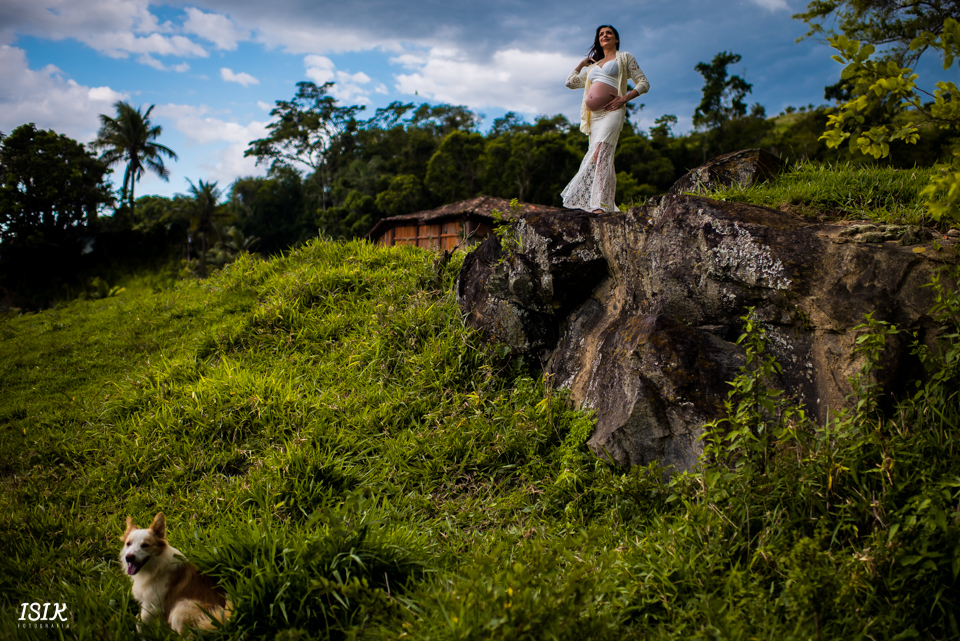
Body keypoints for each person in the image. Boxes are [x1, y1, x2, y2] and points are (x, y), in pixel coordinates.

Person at [561, 25, 649, 213]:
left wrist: (624, 98)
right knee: (599, 158)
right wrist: (581, 64)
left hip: (612, 111)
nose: (604, 36)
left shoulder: (624, 58)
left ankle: (599, 205)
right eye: (601, 34)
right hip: (595, 117)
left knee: (602, 151)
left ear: (616, 39)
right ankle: (606, 204)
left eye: (609, 33)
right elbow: (570, 83)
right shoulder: (593, 66)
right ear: (598, 40)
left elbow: (644, 83)